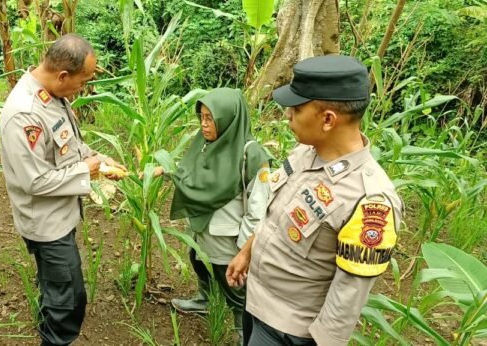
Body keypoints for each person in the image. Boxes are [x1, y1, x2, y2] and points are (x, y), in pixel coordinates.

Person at [225, 55, 402, 346]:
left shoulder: (370, 201)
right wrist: (247, 251)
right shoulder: (306, 152)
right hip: (256, 298)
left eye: (295, 108)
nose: (287, 115)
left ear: (328, 119)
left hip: (287, 328)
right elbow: (276, 213)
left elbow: (348, 295)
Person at [0, 34, 127, 346]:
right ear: (63, 75)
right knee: (68, 300)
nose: (83, 88)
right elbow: (34, 181)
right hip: (46, 225)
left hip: (61, 215)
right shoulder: (25, 114)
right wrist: (87, 171)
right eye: (83, 82)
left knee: (57, 290)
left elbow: (70, 145)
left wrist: (100, 160)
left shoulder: (51, 95)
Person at [154, 88, 271, 344]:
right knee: (197, 260)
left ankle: (243, 330)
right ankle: (204, 299)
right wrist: (164, 171)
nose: (204, 125)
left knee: (232, 283)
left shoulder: (251, 154)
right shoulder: (205, 144)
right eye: (202, 118)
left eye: (211, 119)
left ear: (228, 118)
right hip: (202, 225)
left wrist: (245, 248)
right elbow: (192, 175)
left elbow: (259, 208)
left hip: (227, 234)